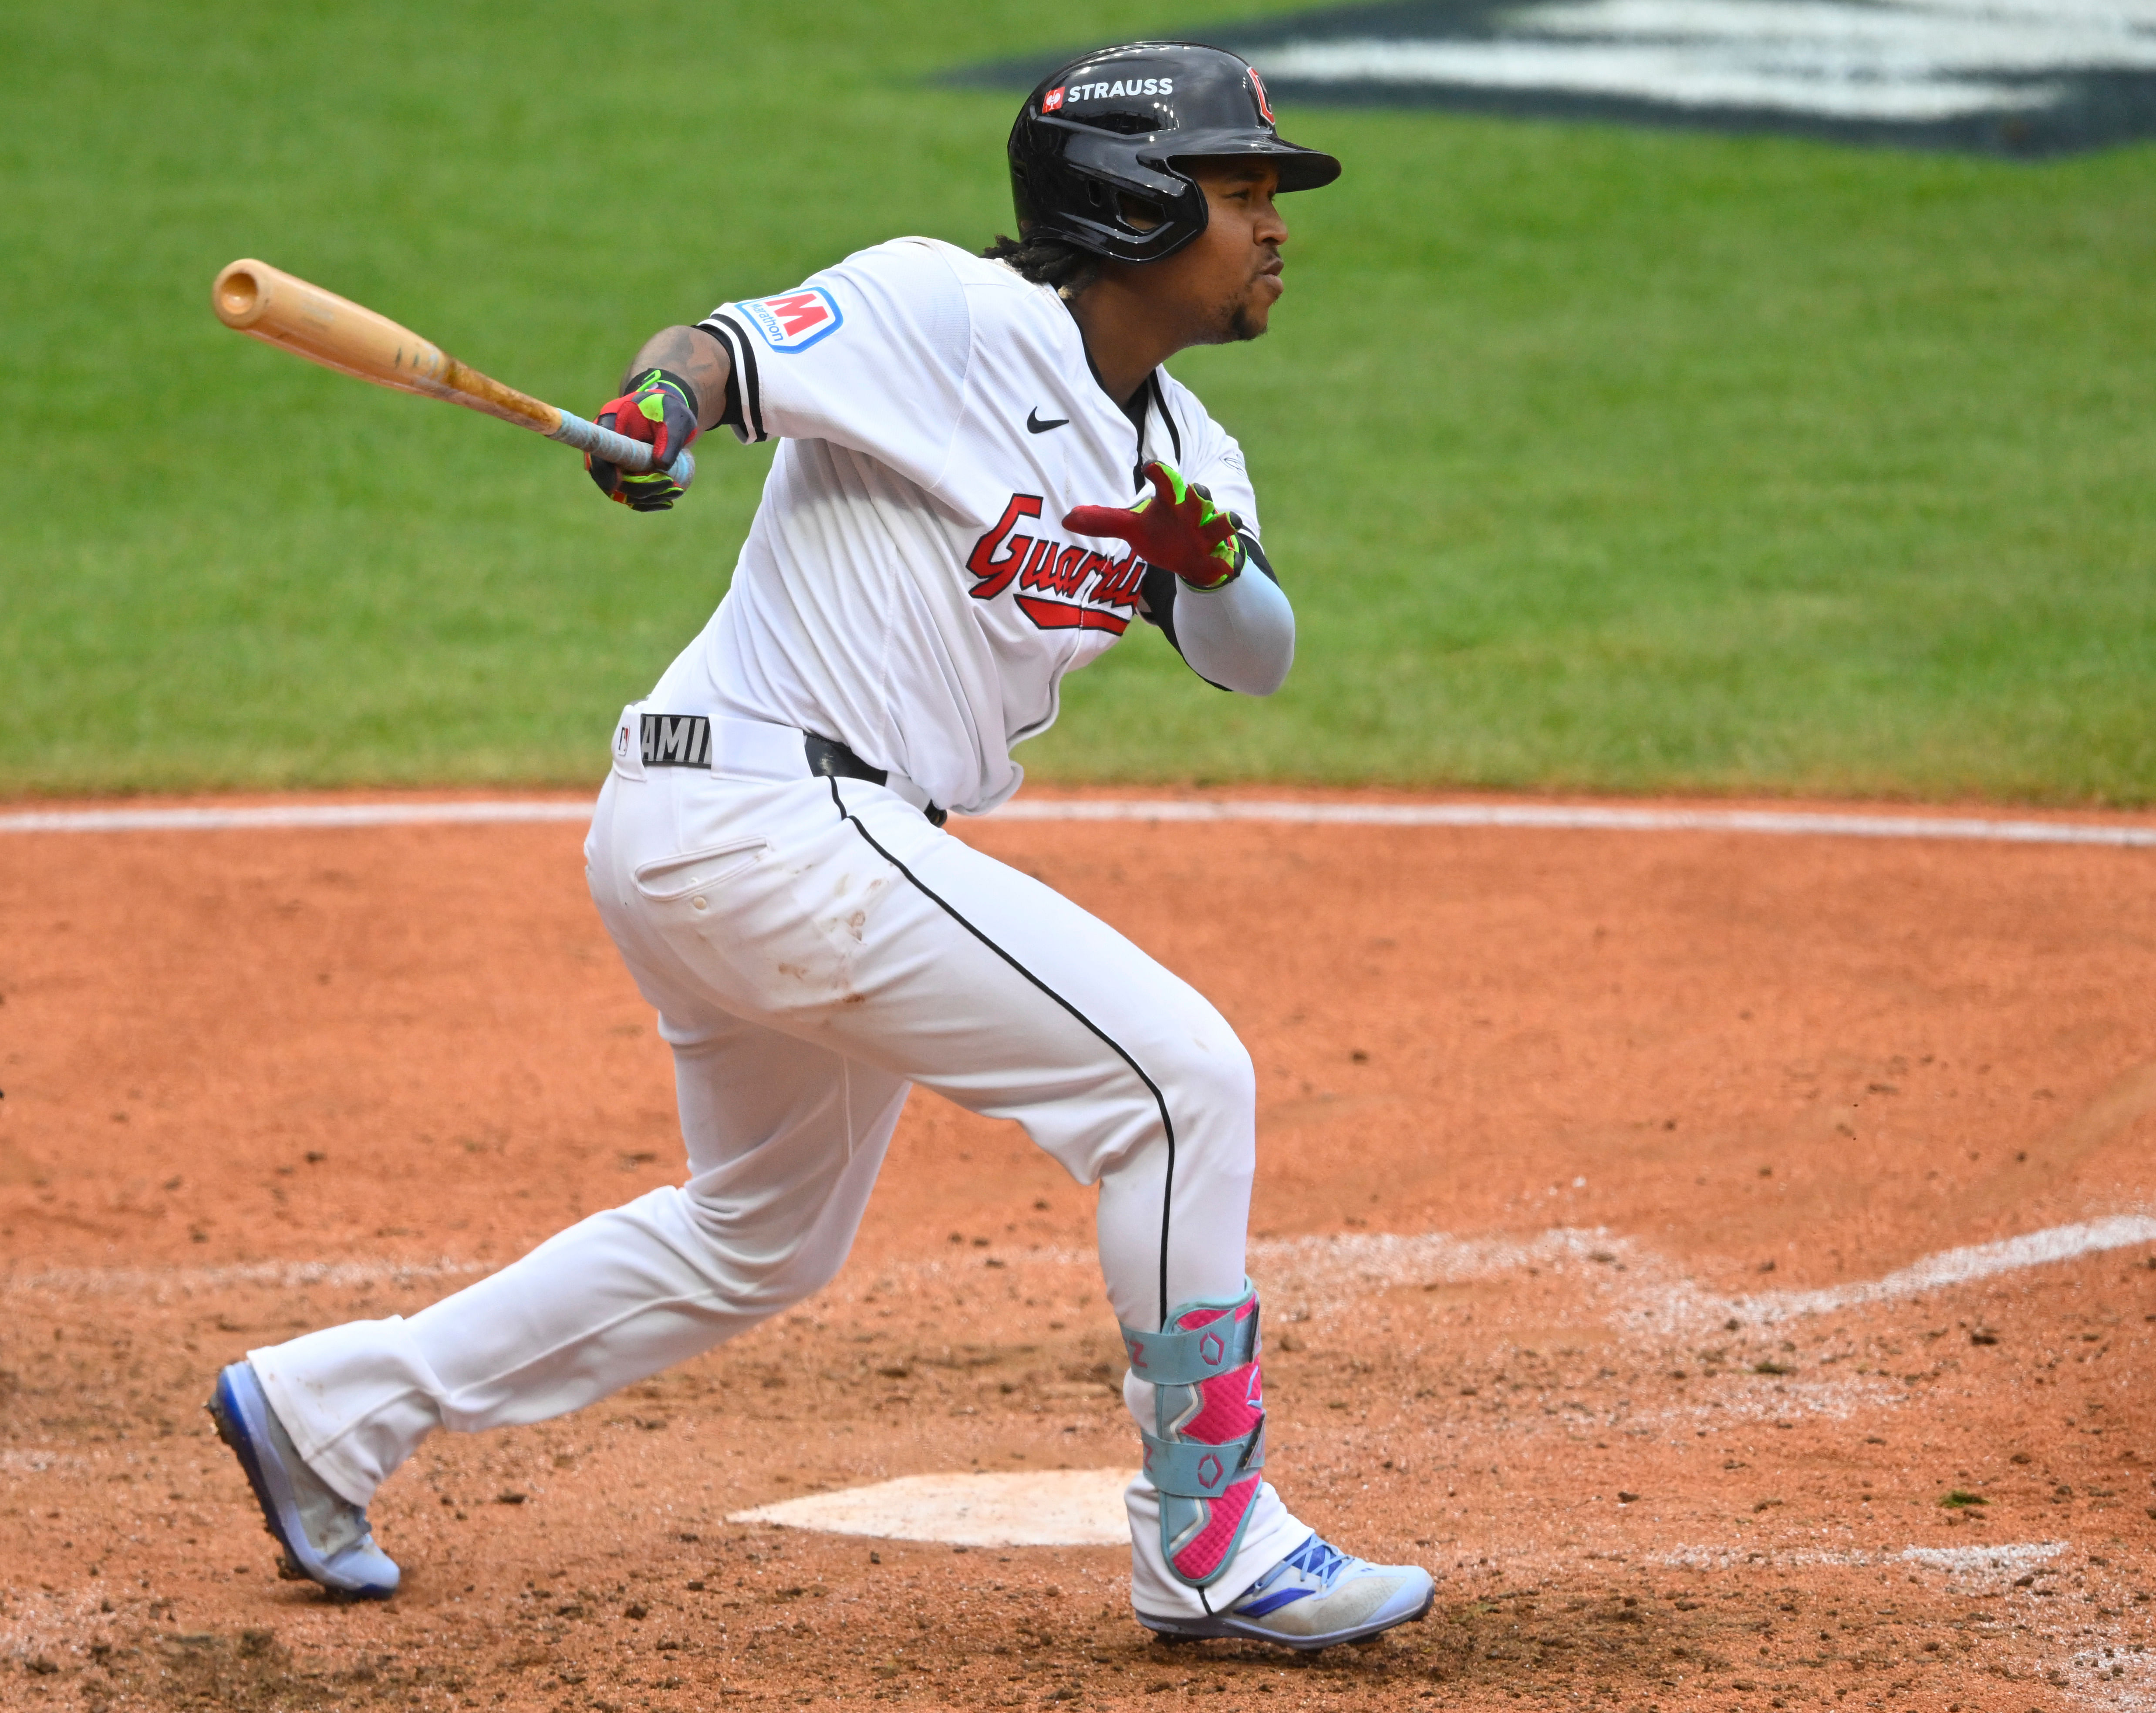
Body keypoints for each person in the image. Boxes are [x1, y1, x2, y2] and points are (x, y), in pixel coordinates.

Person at [203, 40, 1435, 1652]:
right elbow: (718, 354)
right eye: (1241, 191)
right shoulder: (947, 313)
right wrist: (657, 409)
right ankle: (1208, 1543)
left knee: (759, 1236)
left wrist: (1204, 564)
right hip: (765, 821)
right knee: (1179, 1084)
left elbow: (1254, 655)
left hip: (763, 842)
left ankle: (324, 1411)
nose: (1273, 225)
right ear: (1132, 205)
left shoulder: (1187, 449)